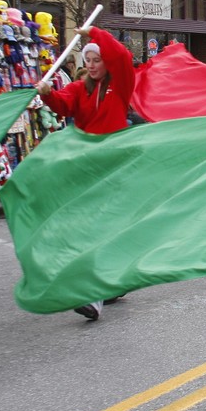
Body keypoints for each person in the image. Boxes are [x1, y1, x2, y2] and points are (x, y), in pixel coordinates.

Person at [36, 27, 135, 321]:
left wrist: (94, 32)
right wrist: (47, 95)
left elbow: (122, 55)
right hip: (84, 166)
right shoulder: (80, 89)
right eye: (87, 60)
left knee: (98, 226)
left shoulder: (121, 86)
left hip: (112, 165)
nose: (91, 65)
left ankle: (92, 296)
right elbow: (63, 103)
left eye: (96, 60)